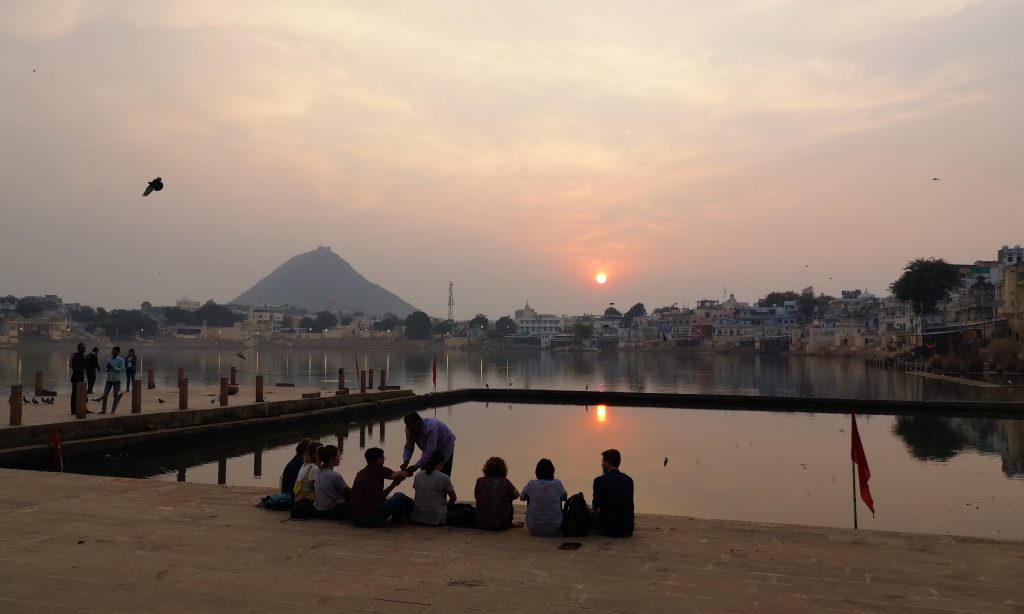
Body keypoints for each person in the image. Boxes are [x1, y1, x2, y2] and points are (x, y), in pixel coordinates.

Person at [350, 447, 413, 528]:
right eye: (383, 458)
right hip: (369, 519)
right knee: (400, 496)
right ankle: (413, 515)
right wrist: (407, 472)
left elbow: (379, 497)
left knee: (395, 497)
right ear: (378, 459)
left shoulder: (362, 472)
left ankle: (399, 519)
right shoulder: (379, 469)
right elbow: (398, 474)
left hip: (357, 520)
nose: (383, 460)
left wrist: (392, 485)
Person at [591, 449, 634, 538]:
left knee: (590, 513)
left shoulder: (599, 480)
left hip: (608, 529)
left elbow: (595, 506)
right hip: (627, 529)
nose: (601, 464)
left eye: (602, 462)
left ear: (607, 463)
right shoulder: (629, 480)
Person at [519, 458, 567, 536]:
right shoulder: (558, 484)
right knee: (559, 498)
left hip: (534, 528)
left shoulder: (531, 484)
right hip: (556, 528)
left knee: (529, 496)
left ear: (537, 472)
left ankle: (537, 520)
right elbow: (564, 497)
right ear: (552, 472)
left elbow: (522, 498)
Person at [401, 412, 456, 477]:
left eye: (413, 428)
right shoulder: (409, 430)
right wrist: (406, 461)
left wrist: (416, 466)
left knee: (442, 476)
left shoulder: (431, 427)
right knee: (424, 476)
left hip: (445, 447)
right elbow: (409, 447)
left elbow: (429, 452)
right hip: (429, 450)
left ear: (419, 423)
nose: (411, 432)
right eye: (409, 429)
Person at [411, 450, 457, 526]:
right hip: (436, 518)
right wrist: (447, 506)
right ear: (442, 463)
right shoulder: (444, 477)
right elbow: (453, 498)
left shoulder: (418, 475)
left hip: (417, 517)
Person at [474, 457, 519, 530]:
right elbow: (516, 495)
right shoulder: (505, 482)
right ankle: (508, 522)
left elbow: (476, 496)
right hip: (501, 524)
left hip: (481, 523)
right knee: (509, 497)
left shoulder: (479, 481)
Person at [314, 445, 351, 521]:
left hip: (318, 510)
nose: (339, 458)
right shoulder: (334, 475)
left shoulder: (318, 471)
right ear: (331, 458)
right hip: (330, 512)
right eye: (338, 456)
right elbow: (349, 492)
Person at [96, 346, 125, 414]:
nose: (113, 352)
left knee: (115, 396)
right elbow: (106, 369)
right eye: (112, 351)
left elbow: (122, 370)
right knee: (105, 395)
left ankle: (113, 410)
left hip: (116, 380)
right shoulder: (109, 359)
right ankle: (103, 410)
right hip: (108, 380)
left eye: (114, 351)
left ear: (118, 352)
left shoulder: (121, 360)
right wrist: (107, 369)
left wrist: (113, 367)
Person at [69, 342, 87, 415]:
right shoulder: (76, 356)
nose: (84, 349)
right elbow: (76, 366)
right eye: (82, 348)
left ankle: (79, 408)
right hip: (76, 377)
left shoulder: (83, 356)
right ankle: (73, 410)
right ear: (79, 349)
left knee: (80, 394)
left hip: (81, 377)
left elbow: (84, 366)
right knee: (74, 394)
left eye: (84, 348)